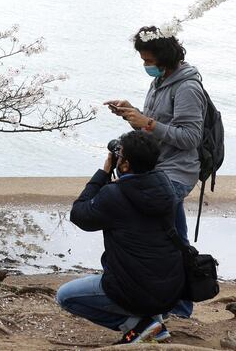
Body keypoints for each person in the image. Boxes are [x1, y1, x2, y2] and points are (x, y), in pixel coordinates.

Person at [104, 26, 204, 318]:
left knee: (162, 235)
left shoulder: (187, 87)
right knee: (174, 237)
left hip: (176, 171)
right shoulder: (161, 82)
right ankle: (179, 304)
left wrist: (145, 122)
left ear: (164, 57)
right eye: (143, 60)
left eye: (148, 60)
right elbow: (155, 126)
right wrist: (132, 113)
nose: (145, 65)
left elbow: (189, 138)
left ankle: (176, 305)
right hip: (157, 166)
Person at [56, 130, 185, 345]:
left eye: (121, 154)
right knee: (144, 263)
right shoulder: (166, 187)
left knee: (66, 296)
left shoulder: (114, 195)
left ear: (124, 165)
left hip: (136, 290)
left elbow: (78, 214)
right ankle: (152, 319)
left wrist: (103, 173)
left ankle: (138, 326)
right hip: (171, 289)